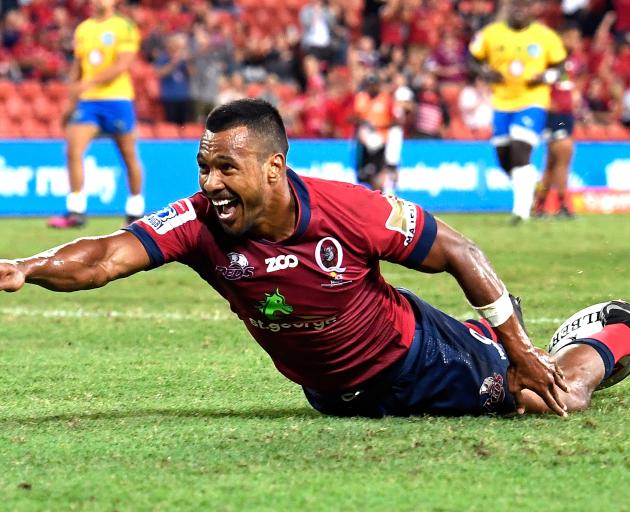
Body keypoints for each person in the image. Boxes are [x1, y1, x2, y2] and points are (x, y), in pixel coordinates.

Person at [1, 99, 628, 419]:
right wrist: (28, 267)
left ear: (274, 167)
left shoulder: (349, 210)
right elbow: (106, 256)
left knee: (551, 400)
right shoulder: (196, 223)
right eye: (204, 167)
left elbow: (460, 251)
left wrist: (515, 348)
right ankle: (503, 337)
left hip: (419, 358)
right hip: (333, 393)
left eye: (227, 167)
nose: (211, 182)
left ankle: (603, 332)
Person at [48, 0, 145, 229]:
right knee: (73, 150)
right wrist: (70, 102)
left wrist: (88, 82)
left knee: (128, 155)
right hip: (88, 102)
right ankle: (76, 211)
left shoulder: (125, 26)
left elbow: (123, 65)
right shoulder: (83, 28)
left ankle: (135, 211)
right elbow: (78, 67)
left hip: (118, 99)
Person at [469, 0, 567, 224]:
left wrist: (546, 77)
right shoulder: (491, 34)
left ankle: (522, 211)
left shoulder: (545, 36)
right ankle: (529, 189)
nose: (519, 9)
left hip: (532, 101)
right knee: (504, 158)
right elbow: (472, 59)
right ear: (509, 8)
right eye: (516, 5)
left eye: (525, 5)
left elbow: (561, 66)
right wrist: (485, 73)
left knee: (521, 149)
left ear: (533, 9)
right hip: (501, 102)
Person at [351, 73, 402, 193]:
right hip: (364, 143)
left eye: (374, 85)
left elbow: (395, 121)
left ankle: (382, 197)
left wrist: (378, 126)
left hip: (381, 142)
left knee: (379, 174)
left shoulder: (386, 99)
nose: (372, 88)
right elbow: (352, 117)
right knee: (364, 175)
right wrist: (364, 122)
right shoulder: (361, 98)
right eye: (369, 85)